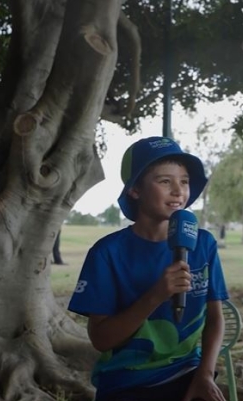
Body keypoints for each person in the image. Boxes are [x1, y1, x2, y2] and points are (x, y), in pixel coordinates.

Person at [68, 136, 229, 401]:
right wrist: (156, 295)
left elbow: (215, 318)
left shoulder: (203, 244)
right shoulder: (107, 253)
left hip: (188, 373)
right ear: (135, 190)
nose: (178, 191)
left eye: (184, 181)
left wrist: (205, 374)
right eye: (165, 181)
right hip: (127, 382)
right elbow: (101, 339)